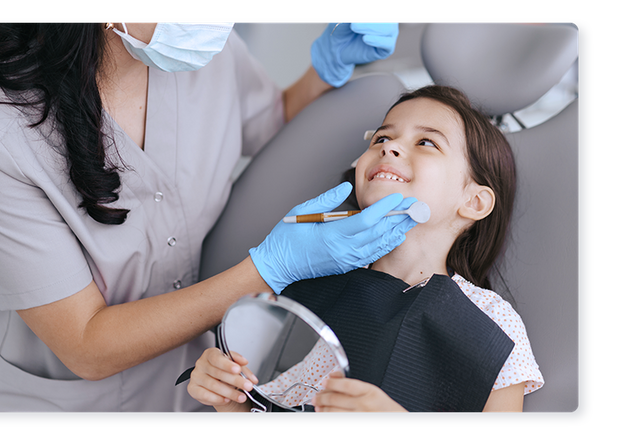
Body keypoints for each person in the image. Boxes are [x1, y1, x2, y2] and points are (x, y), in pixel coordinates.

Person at [0, 20, 407, 412]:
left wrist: (324, 71)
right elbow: (86, 346)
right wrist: (270, 269)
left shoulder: (196, 46)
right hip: (70, 404)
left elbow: (266, 121)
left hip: (203, 385)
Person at [186, 85, 545, 413]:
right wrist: (228, 399)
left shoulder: (493, 324)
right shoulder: (309, 293)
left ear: (475, 203)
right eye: (381, 138)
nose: (389, 146)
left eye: (427, 143)